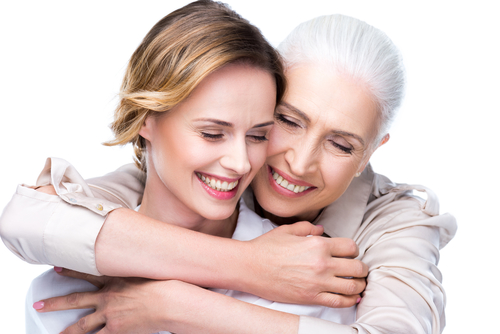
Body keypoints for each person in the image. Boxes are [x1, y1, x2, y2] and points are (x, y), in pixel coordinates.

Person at [0, 4, 457, 334]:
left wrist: (176, 305)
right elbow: (33, 218)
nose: (298, 161)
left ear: (372, 152)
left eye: (341, 143)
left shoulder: (339, 275)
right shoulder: (64, 294)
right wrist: (249, 266)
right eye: (286, 122)